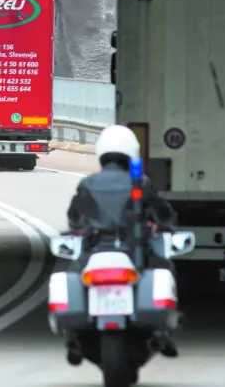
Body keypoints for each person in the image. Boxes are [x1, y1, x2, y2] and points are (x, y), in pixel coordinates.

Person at [64, 124, 180, 360]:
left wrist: (83, 228)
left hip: (95, 250)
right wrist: (163, 225)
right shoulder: (142, 183)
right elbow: (165, 215)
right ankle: (163, 330)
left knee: (75, 274)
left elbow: (74, 220)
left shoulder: (88, 184)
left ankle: (73, 337)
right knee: (166, 267)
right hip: (134, 251)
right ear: (132, 151)